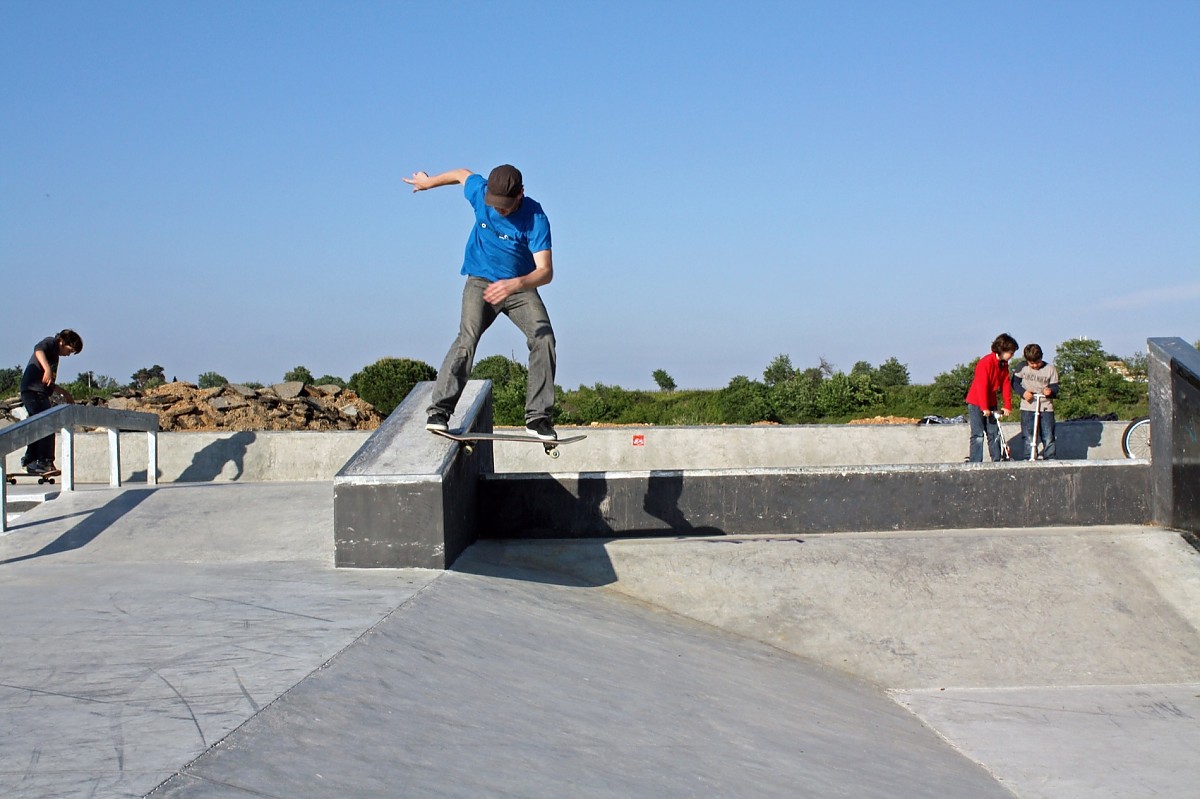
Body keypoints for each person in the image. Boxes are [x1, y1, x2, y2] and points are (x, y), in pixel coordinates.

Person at [403, 164, 558, 440]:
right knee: (467, 337)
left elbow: (545, 271)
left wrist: (517, 283)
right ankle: (439, 410)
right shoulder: (480, 191)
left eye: (506, 206)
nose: (499, 210)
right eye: (495, 205)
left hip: (519, 286)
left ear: (520, 194)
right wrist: (429, 183)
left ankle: (537, 417)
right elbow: (461, 174)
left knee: (544, 338)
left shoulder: (535, 218)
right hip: (480, 281)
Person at [19, 329, 83, 474]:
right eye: (69, 350)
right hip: (32, 391)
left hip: (38, 391)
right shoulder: (51, 343)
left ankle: (31, 460)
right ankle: (43, 461)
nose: (68, 355)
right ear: (62, 341)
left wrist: (65, 393)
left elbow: (48, 383)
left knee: (38, 424)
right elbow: (38, 350)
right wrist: (47, 368)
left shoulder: (55, 356)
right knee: (47, 423)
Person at [964, 333, 1018, 462]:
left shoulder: (1004, 365)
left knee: (994, 433)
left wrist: (1007, 405)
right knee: (978, 434)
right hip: (977, 402)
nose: (1012, 355)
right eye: (1010, 352)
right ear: (1002, 350)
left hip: (991, 402)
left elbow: (1005, 384)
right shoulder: (985, 362)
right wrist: (984, 407)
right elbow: (981, 385)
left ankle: (997, 459)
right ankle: (975, 461)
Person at [1011, 343, 1059, 460]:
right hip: (1028, 407)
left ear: (1041, 358)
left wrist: (1050, 391)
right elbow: (1014, 383)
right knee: (1028, 436)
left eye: (1037, 363)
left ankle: (1050, 458)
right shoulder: (1021, 367)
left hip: (1045, 407)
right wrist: (1023, 393)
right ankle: (1029, 457)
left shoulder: (1050, 369)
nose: (1034, 366)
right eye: (1031, 363)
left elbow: (1055, 388)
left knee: (1048, 436)